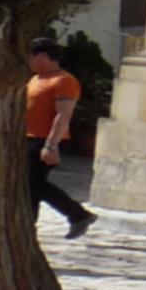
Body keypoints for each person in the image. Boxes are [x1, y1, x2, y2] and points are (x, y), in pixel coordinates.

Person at [23, 41, 92, 238]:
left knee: (33, 183)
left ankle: (78, 214)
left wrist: (51, 145)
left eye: (31, 57)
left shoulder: (64, 81)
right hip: (29, 138)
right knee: (28, 186)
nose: (29, 62)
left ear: (42, 56)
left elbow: (63, 115)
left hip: (46, 139)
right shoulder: (36, 79)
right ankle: (27, 227)